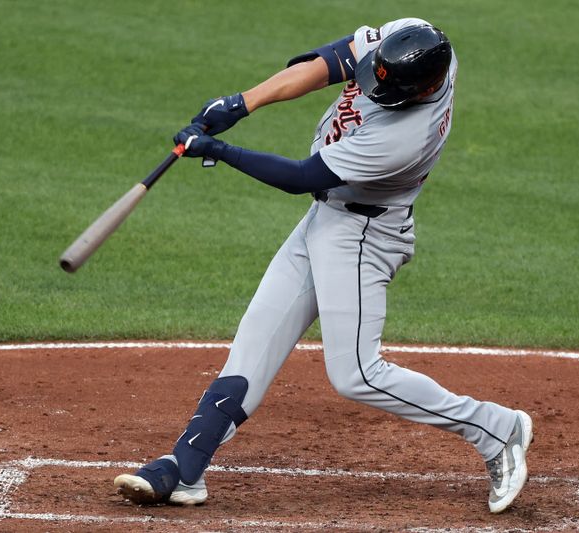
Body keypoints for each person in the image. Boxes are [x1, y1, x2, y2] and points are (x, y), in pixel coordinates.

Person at [113, 17, 533, 514]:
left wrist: (218, 149)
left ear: (424, 89)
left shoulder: (405, 138)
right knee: (255, 341)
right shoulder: (417, 38)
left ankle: (498, 429)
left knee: (357, 373)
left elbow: (301, 176)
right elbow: (331, 59)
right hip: (326, 219)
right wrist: (242, 102)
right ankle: (186, 468)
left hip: (362, 237)